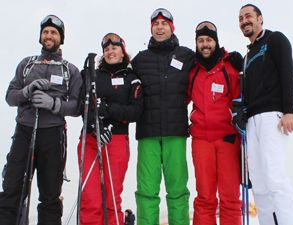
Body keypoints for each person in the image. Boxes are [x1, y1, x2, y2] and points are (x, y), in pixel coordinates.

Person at [0, 15, 82, 225]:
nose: (49, 35)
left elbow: (77, 105)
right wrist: (27, 91)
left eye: (53, 32)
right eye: (45, 31)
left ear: (61, 38)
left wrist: (53, 104)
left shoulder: (69, 70)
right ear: (40, 36)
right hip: (24, 131)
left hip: (53, 135)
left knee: (50, 195)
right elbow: (10, 96)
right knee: (11, 188)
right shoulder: (26, 64)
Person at [238, 4, 293, 225]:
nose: (244, 21)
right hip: (253, 122)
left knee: (274, 177)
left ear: (260, 19)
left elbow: (288, 73)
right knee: (259, 181)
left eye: (248, 16)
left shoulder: (275, 40)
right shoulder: (247, 56)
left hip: (272, 116)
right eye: (241, 18)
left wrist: (289, 110)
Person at [132, 8, 194, 225]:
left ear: (171, 27)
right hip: (147, 133)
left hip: (175, 132)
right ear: (151, 29)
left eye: (164, 24)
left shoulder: (186, 56)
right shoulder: (140, 60)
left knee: (177, 190)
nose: (160, 27)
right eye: (156, 24)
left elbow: (208, 66)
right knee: (146, 191)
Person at [77, 32, 143, 225]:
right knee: (91, 199)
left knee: (112, 198)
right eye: (106, 49)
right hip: (90, 138)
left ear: (123, 52)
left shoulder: (132, 78)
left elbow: (136, 111)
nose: (110, 51)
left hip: (116, 139)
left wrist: (108, 111)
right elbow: (84, 105)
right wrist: (95, 127)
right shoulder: (94, 76)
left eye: (114, 48)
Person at [187, 21, 242, 225]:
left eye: (209, 40)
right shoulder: (192, 71)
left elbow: (241, 99)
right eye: (201, 41)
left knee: (229, 197)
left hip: (227, 138)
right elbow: (180, 98)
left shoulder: (230, 68)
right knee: (205, 197)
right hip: (201, 139)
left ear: (216, 42)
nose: (205, 44)